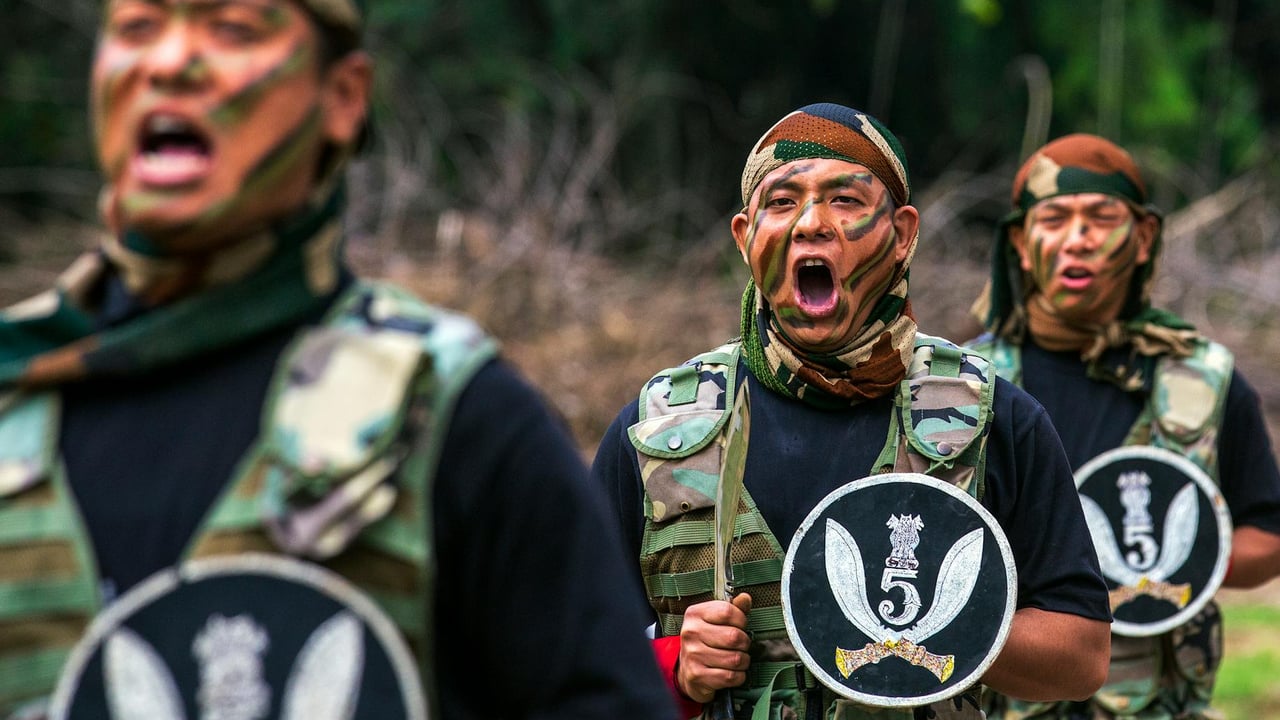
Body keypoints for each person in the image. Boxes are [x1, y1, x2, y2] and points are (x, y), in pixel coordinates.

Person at [0, 1, 674, 719]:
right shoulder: (17, 397)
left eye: (232, 29)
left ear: (343, 98)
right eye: (137, 28)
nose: (168, 63)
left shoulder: (450, 419)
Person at [591, 102, 1112, 720]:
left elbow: (1083, 656)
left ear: (902, 235)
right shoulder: (657, 429)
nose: (812, 223)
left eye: (846, 201)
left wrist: (944, 628)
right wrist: (674, 665)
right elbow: (563, 649)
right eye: (781, 202)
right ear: (743, 236)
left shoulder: (993, 418)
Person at [968, 133, 1280, 719]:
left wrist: (1181, 566)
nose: (1077, 239)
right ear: (1019, 241)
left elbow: (1268, 532)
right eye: (1054, 218)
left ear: (1142, 239)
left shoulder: (1204, 380)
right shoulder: (962, 390)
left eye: (1100, 217)